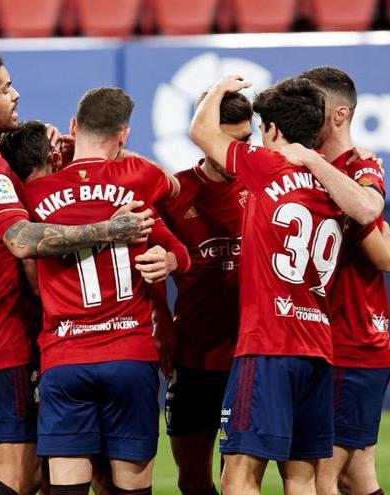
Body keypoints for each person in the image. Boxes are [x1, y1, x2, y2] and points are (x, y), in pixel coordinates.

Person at [0, 21, 153, 495]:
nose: (15, 95)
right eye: (6, 88)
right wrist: (108, 229)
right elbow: (20, 239)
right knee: (20, 477)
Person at [4, 87, 190, 495]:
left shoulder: (33, 195)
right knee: (131, 490)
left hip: (65, 358)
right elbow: (175, 193)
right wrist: (174, 262)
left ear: (73, 127)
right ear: (123, 136)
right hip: (131, 357)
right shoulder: (141, 182)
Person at [190, 75, 343, 495]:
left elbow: (200, 131)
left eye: (261, 127)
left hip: (268, 346)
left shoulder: (263, 164)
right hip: (317, 347)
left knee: (239, 473)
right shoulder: (335, 185)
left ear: (272, 129)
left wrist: (219, 87)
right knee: (302, 477)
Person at [298, 66, 390, 495]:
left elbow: (384, 255)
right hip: (332, 340)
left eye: (312, 108)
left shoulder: (357, 166)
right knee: (358, 477)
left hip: (354, 342)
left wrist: (315, 166)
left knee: (323, 480)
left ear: (339, 115)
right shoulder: (315, 168)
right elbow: (386, 247)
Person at [156, 91, 252, 495]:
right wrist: (163, 331)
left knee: (241, 478)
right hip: (194, 357)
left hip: (250, 358)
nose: (235, 152)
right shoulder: (175, 194)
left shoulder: (265, 187)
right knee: (194, 480)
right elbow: (153, 275)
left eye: (245, 141)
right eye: (227, 141)